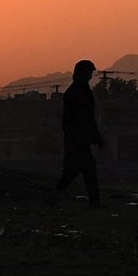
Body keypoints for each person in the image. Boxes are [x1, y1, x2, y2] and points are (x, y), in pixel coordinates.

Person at [48, 60, 104, 207]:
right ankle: (93, 201)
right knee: (83, 169)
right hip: (77, 138)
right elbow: (73, 119)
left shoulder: (82, 92)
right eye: (89, 73)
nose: (91, 76)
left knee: (80, 169)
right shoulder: (75, 93)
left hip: (80, 138)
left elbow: (89, 118)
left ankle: (57, 195)